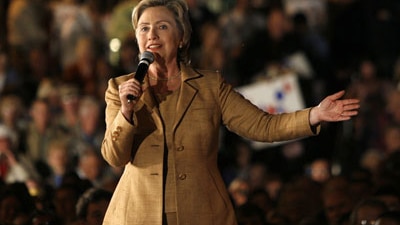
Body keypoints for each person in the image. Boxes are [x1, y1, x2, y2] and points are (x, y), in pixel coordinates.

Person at [100, 0, 360, 224]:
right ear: (137, 39)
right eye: (144, 28)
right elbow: (114, 156)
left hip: (202, 213)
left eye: (162, 26)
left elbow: (263, 126)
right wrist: (126, 112)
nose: (152, 35)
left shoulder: (210, 86)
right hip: (136, 214)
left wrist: (314, 114)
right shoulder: (120, 89)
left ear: (181, 38)